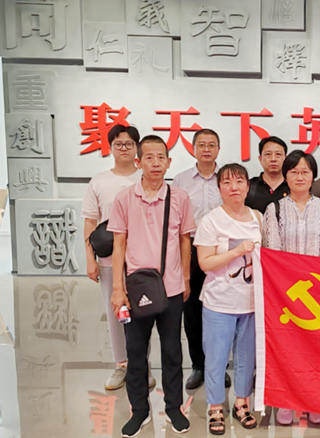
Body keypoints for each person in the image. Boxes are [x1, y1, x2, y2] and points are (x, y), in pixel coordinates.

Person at [109, 136, 196, 437]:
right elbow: (118, 245)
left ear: (169, 162)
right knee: (135, 351)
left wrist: (185, 279)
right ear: (139, 162)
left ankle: (173, 408)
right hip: (135, 290)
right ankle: (139, 411)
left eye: (161, 157)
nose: (156, 163)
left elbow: (185, 240)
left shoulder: (180, 198)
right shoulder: (124, 198)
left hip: (171, 288)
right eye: (149, 157)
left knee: (172, 350)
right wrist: (117, 288)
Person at [262, 150, 320, 425]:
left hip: (318, 292)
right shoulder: (274, 209)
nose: (299, 177)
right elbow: (274, 251)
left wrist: (316, 283)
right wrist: (289, 282)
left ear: (313, 176)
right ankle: (286, 402)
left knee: (317, 350)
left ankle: (315, 399)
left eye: (305, 172)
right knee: (288, 349)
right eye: (294, 172)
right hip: (286, 292)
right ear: (286, 176)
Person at [82, 125, 154, 391]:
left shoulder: (146, 179)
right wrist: (90, 258)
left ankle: (142, 364)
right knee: (116, 313)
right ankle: (122, 364)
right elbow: (90, 222)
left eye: (129, 143)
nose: (124, 148)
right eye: (118, 144)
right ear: (110, 148)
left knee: (143, 311)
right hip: (109, 257)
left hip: (142, 258)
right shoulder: (99, 181)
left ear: (137, 148)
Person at [194, 164, 261, 435]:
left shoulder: (258, 217)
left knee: (247, 357)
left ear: (247, 186)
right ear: (219, 188)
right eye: (227, 182)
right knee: (217, 358)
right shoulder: (211, 220)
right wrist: (237, 252)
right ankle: (215, 406)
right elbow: (205, 263)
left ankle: (242, 403)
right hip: (219, 302)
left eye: (239, 181)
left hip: (252, 302)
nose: (234, 187)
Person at [172, 128, 231, 390]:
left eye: (212, 144)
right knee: (192, 308)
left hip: (223, 250)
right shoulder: (181, 180)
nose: (207, 149)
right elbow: (174, 218)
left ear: (218, 149)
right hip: (191, 248)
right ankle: (198, 365)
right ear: (193, 149)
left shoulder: (227, 178)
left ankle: (220, 365)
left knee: (223, 308)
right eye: (202, 145)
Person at [245, 136, 290, 213]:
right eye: (268, 154)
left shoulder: (293, 186)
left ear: (285, 158)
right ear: (260, 159)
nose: (273, 159)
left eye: (278, 154)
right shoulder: (249, 186)